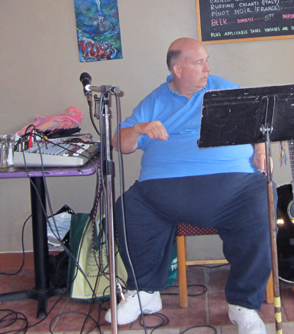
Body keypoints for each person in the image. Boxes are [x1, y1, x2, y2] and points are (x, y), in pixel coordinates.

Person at [106, 37, 272, 334]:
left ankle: (243, 306)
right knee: (129, 206)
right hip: (161, 189)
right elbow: (120, 143)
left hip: (234, 185)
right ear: (178, 69)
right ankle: (144, 292)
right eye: (199, 63)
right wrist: (140, 128)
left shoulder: (224, 89)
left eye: (207, 61)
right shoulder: (155, 100)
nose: (207, 68)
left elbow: (260, 121)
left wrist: (260, 150)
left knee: (262, 204)